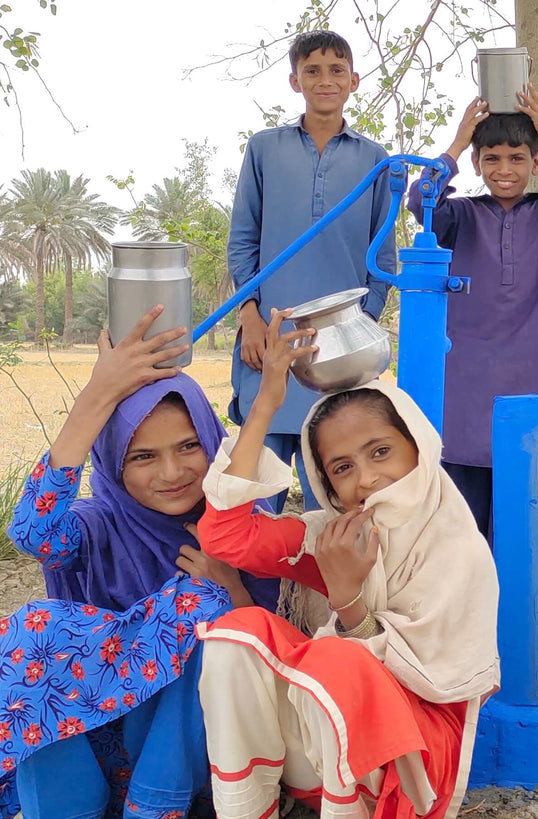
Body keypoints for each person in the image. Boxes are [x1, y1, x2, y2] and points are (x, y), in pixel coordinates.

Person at [194, 310, 499, 819]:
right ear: (325, 483)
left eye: (381, 451)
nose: (369, 479)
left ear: (418, 448)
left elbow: (432, 684)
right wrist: (268, 403)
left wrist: (348, 597)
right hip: (325, 752)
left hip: (412, 767)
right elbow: (226, 534)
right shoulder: (335, 537)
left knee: (334, 658)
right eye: (342, 468)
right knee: (237, 633)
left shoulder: (456, 547)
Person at [0, 307, 280, 819]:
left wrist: (232, 588)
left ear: (212, 443)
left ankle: (155, 808)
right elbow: (32, 533)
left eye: (189, 446)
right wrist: (97, 396)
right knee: (30, 632)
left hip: (201, 762)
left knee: (207, 601)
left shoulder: (246, 523)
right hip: (93, 742)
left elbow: (276, 664)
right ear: (111, 460)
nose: (172, 473)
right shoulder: (95, 527)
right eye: (143, 456)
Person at [407, 87, 538, 543]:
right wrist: (457, 144)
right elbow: (422, 201)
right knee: (463, 534)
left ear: (535, 164)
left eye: (517, 158)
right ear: (477, 164)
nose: (505, 170)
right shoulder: (458, 217)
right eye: (491, 158)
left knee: (534, 532)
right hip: (466, 392)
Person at [229, 29, 397, 513]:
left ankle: (332, 591)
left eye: (336, 70)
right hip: (270, 343)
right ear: (294, 80)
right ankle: (253, 592)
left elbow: (381, 260)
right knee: (256, 500)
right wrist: (251, 318)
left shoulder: (375, 160)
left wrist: (355, 331)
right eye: (313, 70)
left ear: (354, 81)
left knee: (338, 497)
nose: (325, 80)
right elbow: (242, 241)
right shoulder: (264, 148)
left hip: (339, 355)